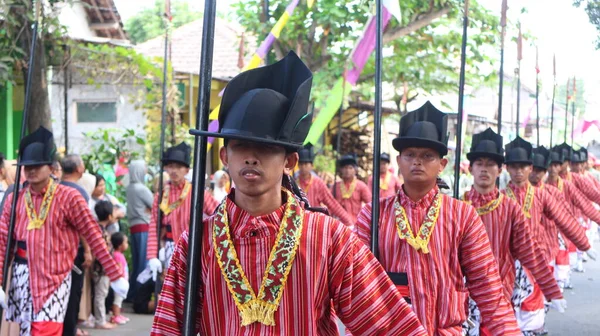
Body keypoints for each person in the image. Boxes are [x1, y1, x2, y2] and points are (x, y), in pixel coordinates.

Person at [151, 51, 427, 335]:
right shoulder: (197, 242)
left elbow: (388, 324)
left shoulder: (330, 239)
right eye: (240, 146)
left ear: (289, 162)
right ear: (225, 155)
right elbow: (168, 328)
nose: (251, 158)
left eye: (267, 148)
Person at [355, 102, 520, 335]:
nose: (417, 161)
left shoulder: (463, 216)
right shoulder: (373, 215)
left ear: (442, 164)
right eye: (410, 154)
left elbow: (488, 288)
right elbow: (356, 284)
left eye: (427, 156)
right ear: (399, 160)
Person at [0, 127, 128, 335]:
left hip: (54, 276)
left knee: (46, 330)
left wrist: (114, 274)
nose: (31, 171)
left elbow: (93, 234)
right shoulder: (15, 199)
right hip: (22, 276)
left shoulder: (69, 197)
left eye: (37, 165)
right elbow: (3, 240)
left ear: (51, 167)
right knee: (26, 331)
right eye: (27, 166)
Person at [462, 129, 564, 336]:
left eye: (490, 164)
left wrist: (551, 289)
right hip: (463, 294)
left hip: (500, 289)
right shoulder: (456, 206)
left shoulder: (509, 208)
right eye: (479, 163)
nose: (484, 169)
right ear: (470, 168)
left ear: (499, 169)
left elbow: (529, 250)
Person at [503, 137, 591, 335]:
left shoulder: (544, 194)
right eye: (514, 166)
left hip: (537, 256)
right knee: (504, 311)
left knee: (532, 309)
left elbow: (566, 217)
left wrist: (584, 243)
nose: (519, 171)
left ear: (531, 168)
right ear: (507, 168)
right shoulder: (499, 197)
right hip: (505, 263)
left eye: (524, 167)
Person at [146, 142, 219, 278]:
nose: (174, 171)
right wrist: (152, 255)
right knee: (171, 292)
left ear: (186, 170)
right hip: (168, 248)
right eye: (171, 167)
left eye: (178, 167)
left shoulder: (196, 192)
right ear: (166, 169)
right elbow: (153, 226)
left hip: (192, 247)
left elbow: (218, 212)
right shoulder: (160, 195)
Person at [60, 154, 94, 336]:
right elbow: (83, 226)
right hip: (73, 254)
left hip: (56, 252)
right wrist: (88, 251)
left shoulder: (54, 188)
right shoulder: (78, 193)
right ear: (79, 169)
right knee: (72, 295)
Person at [295, 146, 353, 226]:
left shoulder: (318, 183)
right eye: (301, 164)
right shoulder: (294, 183)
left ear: (311, 165)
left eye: (306, 164)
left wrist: (348, 222)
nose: (303, 167)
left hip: (314, 223)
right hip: (297, 223)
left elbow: (332, 203)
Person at [125, 160, 154, 300]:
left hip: (134, 226)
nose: (146, 171)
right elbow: (156, 206)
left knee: (137, 262)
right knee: (143, 262)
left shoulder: (130, 188)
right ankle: (139, 295)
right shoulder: (141, 189)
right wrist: (148, 210)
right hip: (143, 226)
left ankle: (131, 294)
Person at [92, 201, 118, 330]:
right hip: (102, 270)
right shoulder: (102, 232)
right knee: (100, 295)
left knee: (100, 294)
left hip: (100, 269)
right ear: (109, 216)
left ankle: (99, 318)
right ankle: (100, 321)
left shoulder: (99, 229)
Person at [332, 154, 371, 226]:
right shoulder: (335, 186)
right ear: (341, 170)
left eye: (350, 168)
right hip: (338, 224)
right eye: (345, 168)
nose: (347, 170)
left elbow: (370, 204)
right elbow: (330, 205)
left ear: (355, 170)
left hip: (356, 224)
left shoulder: (361, 186)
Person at [110, 232, 130, 325]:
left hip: (122, 281)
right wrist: (121, 276)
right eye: (125, 242)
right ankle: (115, 316)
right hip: (119, 281)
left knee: (120, 299)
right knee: (117, 299)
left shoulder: (119, 254)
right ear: (119, 245)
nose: (127, 244)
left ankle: (118, 314)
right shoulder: (117, 255)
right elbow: (119, 267)